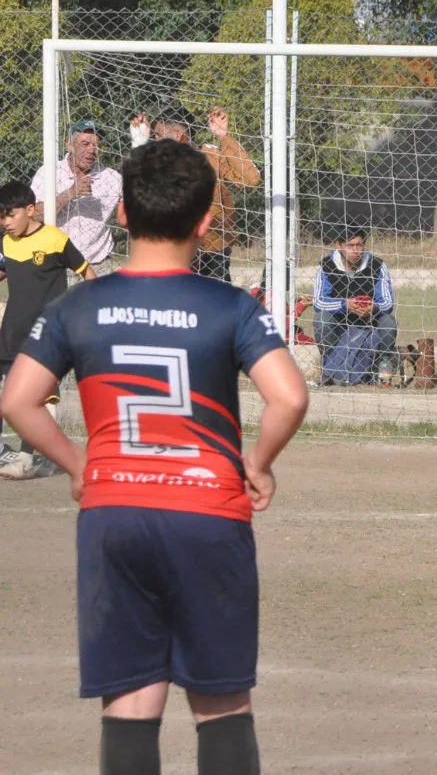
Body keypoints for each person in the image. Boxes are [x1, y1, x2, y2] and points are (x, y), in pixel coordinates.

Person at [0, 138, 309, 775]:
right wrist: (259, 460)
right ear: (203, 222)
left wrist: (80, 464)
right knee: (222, 703)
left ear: (121, 217)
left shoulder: (77, 305)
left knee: (132, 700)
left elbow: (19, 400)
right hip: (208, 514)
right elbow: (290, 395)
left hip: (115, 514)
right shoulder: (230, 305)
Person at [0, 181, 94, 479]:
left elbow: (87, 274)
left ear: (30, 210)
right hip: (10, 333)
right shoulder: (5, 242)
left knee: (36, 396)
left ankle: (27, 459)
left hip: (46, 334)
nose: (6, 222)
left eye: (10, 215)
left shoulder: (55, 239)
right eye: (1, 216)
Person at [131, 107, 262, 282]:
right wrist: (138, 144)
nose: (154, 140)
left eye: (157, 135)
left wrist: (224, 136)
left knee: (214, 304)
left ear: (178, 136)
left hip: (213, 252)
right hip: (171, 251)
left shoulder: (211, 156)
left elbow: (251, 179)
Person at [30, 120, 122, 276]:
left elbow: (136, 209)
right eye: (85, 144)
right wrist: (71, 193)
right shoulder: (49, 172)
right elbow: (35, 215)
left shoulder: (113, 178)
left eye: (97, 145)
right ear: (69, 144)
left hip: (99, 265)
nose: (92, 150)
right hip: (59, 265)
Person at [312, 227, 398, 381]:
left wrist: (374, 308)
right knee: (321, 320)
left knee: (389, 321)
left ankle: (381, 367)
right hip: (338, 324)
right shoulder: (325, 266)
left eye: (359, 245)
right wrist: (344, 305)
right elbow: (318, 302)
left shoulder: (378, 265)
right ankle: (331, 369)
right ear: (338, 245)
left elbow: (387, 303)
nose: (356, 250)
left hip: (370, 323)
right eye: (350, 245)